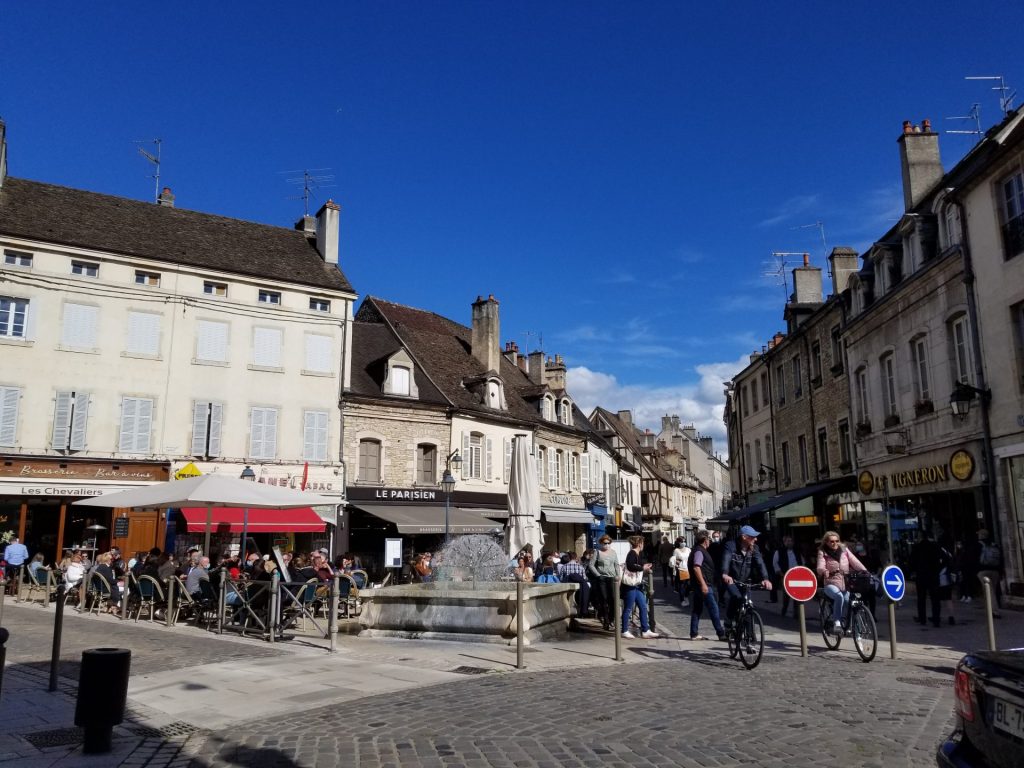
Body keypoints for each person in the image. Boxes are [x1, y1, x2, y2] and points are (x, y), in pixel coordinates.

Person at [816, 531, 868, 634]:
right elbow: (820, 566)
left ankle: (850, 624)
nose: (835, 543)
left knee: (850, 602)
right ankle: (837, 623)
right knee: (838, 596)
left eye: (837, 541)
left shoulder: (844, 549)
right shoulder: (823, 552)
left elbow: (855, 561)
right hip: (831, 583)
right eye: (831, 541)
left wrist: (865, 571)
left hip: (845, 583)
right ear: (826, 542)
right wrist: (824, 571)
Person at [721, 525, 773, 627]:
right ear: (744, 537)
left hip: (746, 580)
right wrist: (725, 574)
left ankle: (750, 636)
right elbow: (726, 559)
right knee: (736, 597)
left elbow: (760, 563)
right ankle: (728, 620)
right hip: (732, 579)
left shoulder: (754, 549)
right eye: (753, 537)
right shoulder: (731, 546)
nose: (756, 539)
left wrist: (765, 579)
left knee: (748, 605)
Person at [687, 531, 726, 641]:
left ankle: (694, 633)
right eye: (709, 539)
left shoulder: (697, 550)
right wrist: (703, 584)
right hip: (704, 585)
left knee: (697, 609)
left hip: (698, 584)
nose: (710, 541)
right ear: (705, 541)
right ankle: (720, 633)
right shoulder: (699, 551)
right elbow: (696, 567)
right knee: (714, 608)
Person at [620, 535, 658, 639]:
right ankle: (624, 630)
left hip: (637, 584)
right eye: (642, 543)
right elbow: (631, 565)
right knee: (628, 608)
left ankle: (645, 630)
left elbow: (639, 565)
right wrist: (642, 567)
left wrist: (646, 566)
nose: (643, 545)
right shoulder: (632, 553)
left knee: (643, 606)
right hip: (630, 585)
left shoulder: (638, 553)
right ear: (639, 543)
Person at [910, 531, 944, 627]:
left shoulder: (916, 548)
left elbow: (911, 562)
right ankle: (936, 620)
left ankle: (922, 619)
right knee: (935, 599)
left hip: (921, 576)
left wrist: (913, 572)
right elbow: (941, 560)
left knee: (921, 598)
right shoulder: (935, 546)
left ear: (920, 537)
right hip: (933, 575)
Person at [587, 535, 620, 631]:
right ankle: (605, 620)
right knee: (604, 600)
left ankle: (611, 619)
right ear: (601, 543)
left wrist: (618, 577)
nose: (607, 545)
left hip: (612, 578)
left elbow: (616, 565)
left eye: (608, 543)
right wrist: (598, 575)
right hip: (602, 579)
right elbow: (591, 565)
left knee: (613, 600)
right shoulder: (597, 552)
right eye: (605, 543)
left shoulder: (613, 553)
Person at [976, 529, 1003, 619]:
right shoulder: (994, 544)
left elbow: (973, 558)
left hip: (983, 570)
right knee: (992, 591)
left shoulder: (979, 545)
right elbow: (1001, 558)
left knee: (989, 591)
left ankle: (995, 611)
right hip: (995, 570)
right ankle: (990, 609)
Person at [772, 535, 801, 618]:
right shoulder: (779, 552)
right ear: (784, 542)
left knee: (796, 595)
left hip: (796, 576)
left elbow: (801, 561)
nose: (789, 543)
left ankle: (796, 614)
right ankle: (784, 612)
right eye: (787, 541)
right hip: (785, 575)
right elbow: (775, 563)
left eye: (791, 541)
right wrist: (780, 573)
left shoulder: (797, 551)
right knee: (786, 596)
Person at [557, 551, 590, 615]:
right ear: (576, 557)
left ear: (569, 557)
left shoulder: (564, 567)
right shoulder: (581, 567)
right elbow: (584, 578)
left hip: (568, 589)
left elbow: (561, 579)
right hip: (580, 590)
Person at [670, 538, 692, 607]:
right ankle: (682, 600)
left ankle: (686, 596)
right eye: (682, 541)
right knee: (682, 585)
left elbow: (691, 558)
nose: (683, 542)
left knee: (689, 585)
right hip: (681, 569)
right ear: (678, 542)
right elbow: (673, 559)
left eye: (684, 541)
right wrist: (676, 562)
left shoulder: (688, 550)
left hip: (689, 569)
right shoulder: (676, 550)